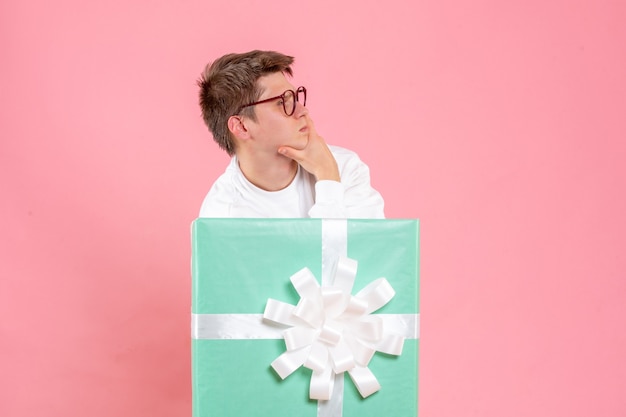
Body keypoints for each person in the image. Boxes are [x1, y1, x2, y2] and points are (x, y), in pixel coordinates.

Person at [196, 50, 384, 218]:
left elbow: (372, 253)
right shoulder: (221, 214)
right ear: (242, 127)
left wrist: (328, 176)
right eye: (281, 102)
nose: (302, 111)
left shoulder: (343, 168)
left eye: (294, 97)